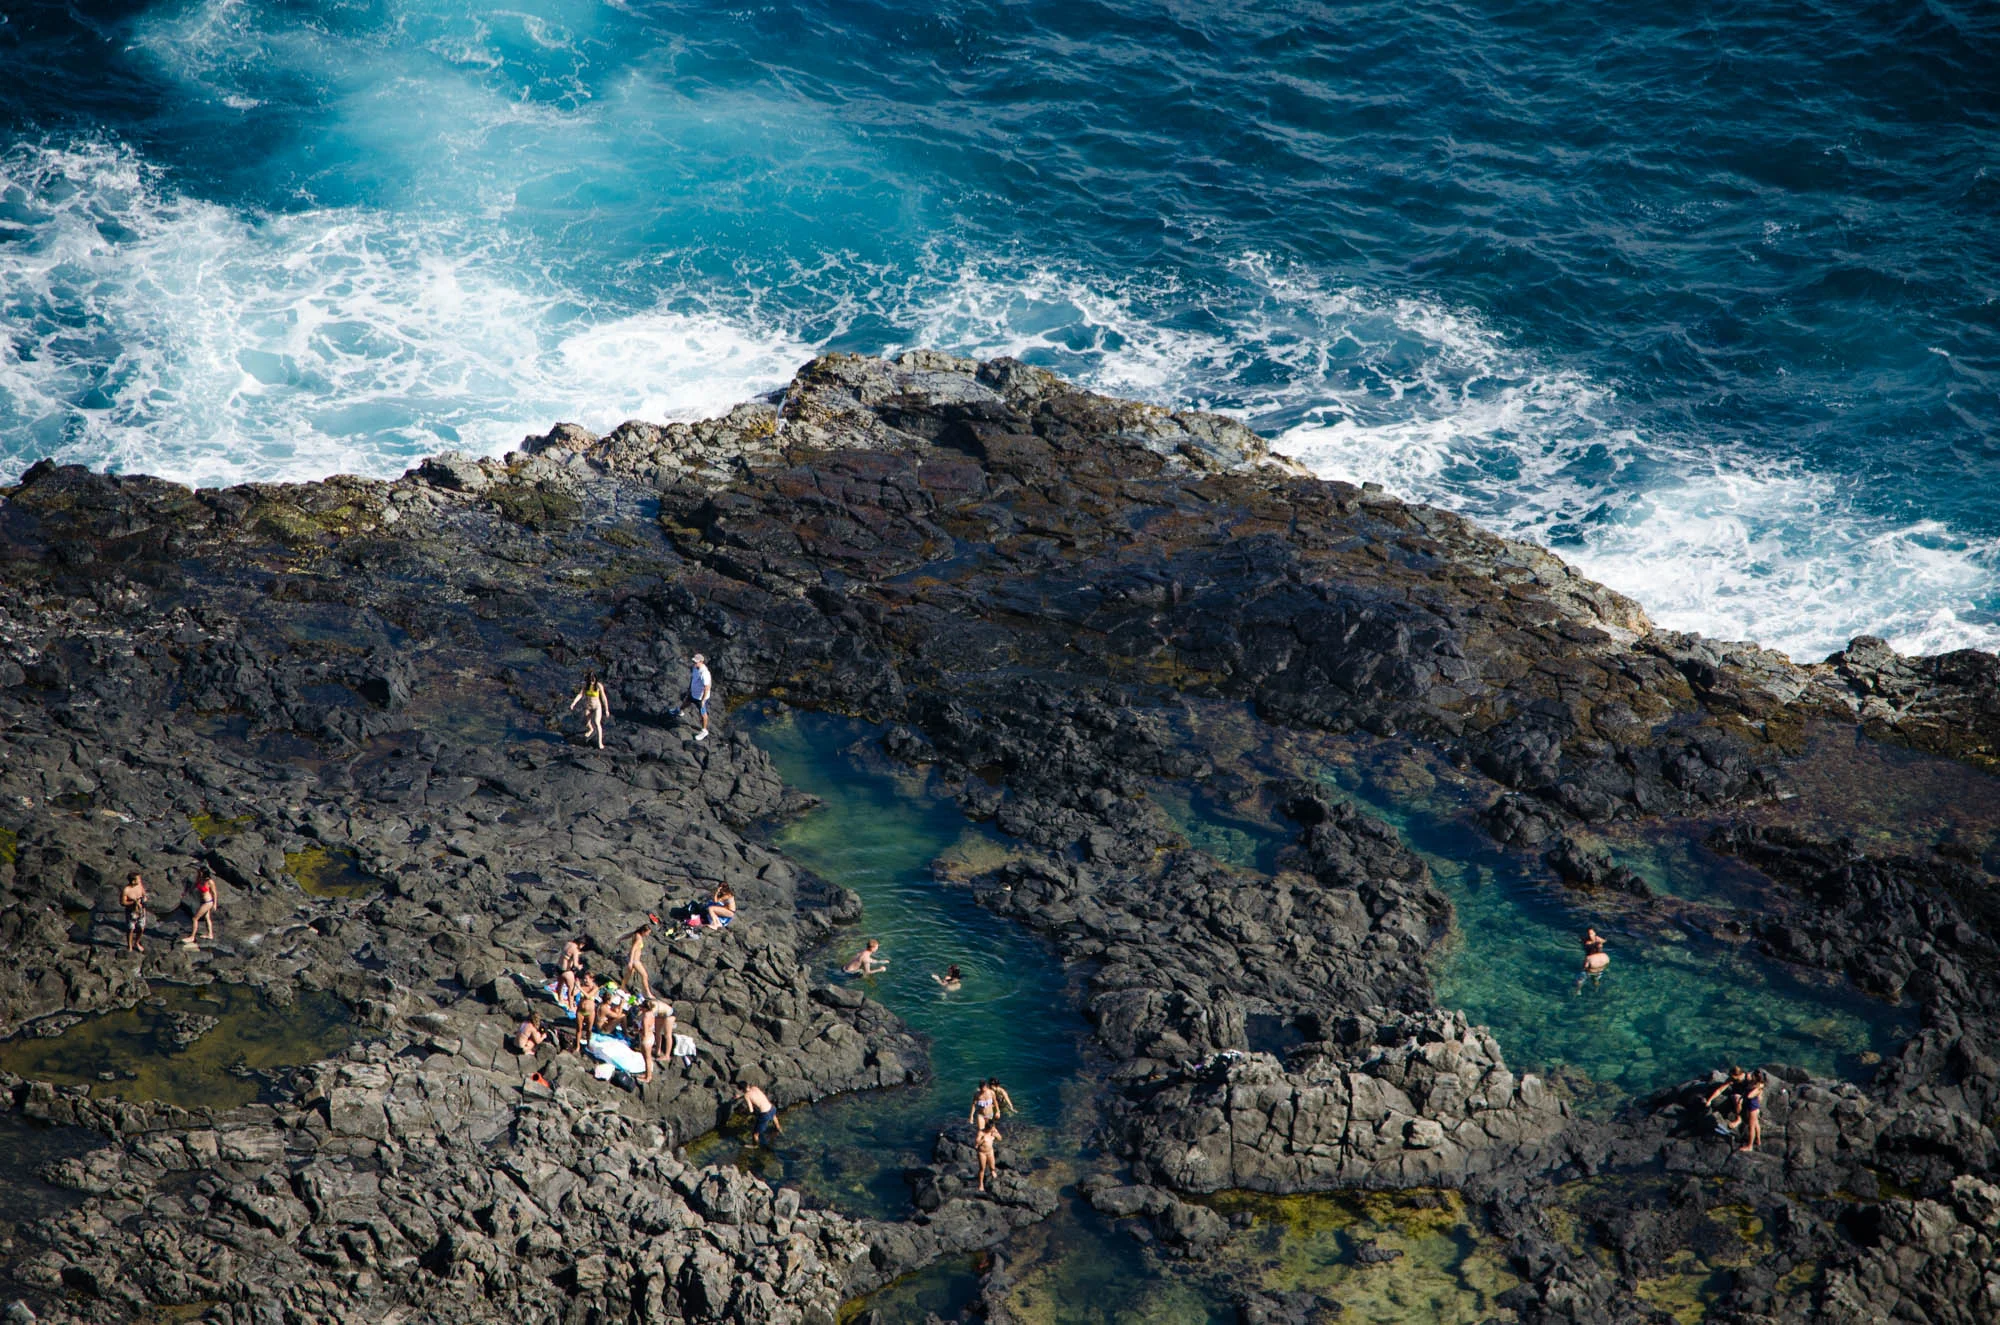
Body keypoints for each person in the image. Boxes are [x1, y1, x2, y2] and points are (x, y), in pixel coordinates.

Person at [568, 671, 610, 750]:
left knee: (597, 722)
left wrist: (606, 709)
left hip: (597, 706)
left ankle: (600, 742)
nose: (592, 682)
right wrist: (573, 703)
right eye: (590, 680)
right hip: (588, 707)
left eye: (593, 680)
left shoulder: (598, 686)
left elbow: (604, 698)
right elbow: (580, 694)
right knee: (587, 723)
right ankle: (591, 729)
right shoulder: (585, 685)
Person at [1704, 1066, 1747, 1138]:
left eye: (1734, 1077)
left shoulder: (1748, 1078)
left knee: (1737, 1098)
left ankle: (1739, 1119)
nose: (1732, 1079)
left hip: (1746, 1096)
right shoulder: (1731, 1079)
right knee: (1736, 1097)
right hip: (1737, 1096)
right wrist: (1709, 1100)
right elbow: (1720, 1090)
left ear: (1740, 1074)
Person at [639, 999, 675, 1084]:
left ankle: (667, 1055)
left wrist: (639, 1031)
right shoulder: (651, 1010)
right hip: (652, 1034)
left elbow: (645, 1029)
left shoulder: (650, 1013)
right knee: (657, 1032)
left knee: (667, 1035)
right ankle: (657, 1050)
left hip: (669, 1014)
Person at [678, 653, 712, 742]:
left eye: (696, 662)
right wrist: (689, 689)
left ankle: (704, 731)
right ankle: (680, 711)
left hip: (700, 698)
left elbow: (707, 687)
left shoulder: (704, 673)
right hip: (693, 693)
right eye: (694, 661)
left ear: (701, 661)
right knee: (686, 702)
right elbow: (692, 679)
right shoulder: (695, 668)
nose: (694, 663)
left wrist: (703, 700)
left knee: (703, 713)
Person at [182, 868, 218, 947]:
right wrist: (185, 893)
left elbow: (214, 893)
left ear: (205, 873)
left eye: (200, 873)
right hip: (202, 901)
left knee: (195, 918)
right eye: (199, 872)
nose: (199, 874)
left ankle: (192, 937)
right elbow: (193, 886)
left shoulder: (209, 881)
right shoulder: (199, 879)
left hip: (208, 902)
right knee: (207, 918)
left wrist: (215, 904)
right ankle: (210, 934)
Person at [740, 1081, 781, 1146]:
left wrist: (745, 1113)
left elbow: (751, 1110)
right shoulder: (755, 1088)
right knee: (774, 1117)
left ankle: (755, 1145)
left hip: (765, 1114)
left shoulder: (746, 1095)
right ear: (748, 1085)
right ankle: (779, 1129)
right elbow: (752, 1095)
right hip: (772, 1108)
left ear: (741, 1090)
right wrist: (741, 1096)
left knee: (755, 1134)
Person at [622, 923, 655, 1000]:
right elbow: (633, 949)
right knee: (645, 975)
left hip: (632, 959)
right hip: (635, 961)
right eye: (647, 933)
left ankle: (622, 987)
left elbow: (628, 935)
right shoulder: (639, 939)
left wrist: (620, 939)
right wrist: (630, 962)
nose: (648, 934)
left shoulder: (636, 933)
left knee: (629, 974)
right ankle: (647, 993)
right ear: (643, 931)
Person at [1738, 1071, 1767, 1152]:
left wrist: (1754, 1089)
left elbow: (1750, 1095)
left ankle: (1749, 1146)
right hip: (1751, 1106)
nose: (1751, 1076)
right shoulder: (1753, 1083)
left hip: (1753, 1108)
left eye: (1752, 1075)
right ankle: (1758, 1140)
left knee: (1751, 1127)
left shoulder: (1758, 1086)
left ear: (1756, 1077)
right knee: (1756, 1123)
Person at [120, 872, 148, 955]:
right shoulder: (126, 890)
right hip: (131, 912)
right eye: (138, 879)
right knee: (131, 929)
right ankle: (130, 946)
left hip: (141, 910)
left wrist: (144, 898)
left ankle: (137, 942)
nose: (140, 880)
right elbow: (122, 902)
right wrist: (133, 903)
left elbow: (143, 893)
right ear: (133, 881)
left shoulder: (139, 885)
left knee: (141, 928)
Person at [1576, 927, 1610, 991]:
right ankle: (1596, 989)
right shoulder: (1606, 956)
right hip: (1599, 971)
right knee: (1596, 980)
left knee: (1580, 980)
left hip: (1589, 972)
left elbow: (1584, 968)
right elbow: (1607, 964)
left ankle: (1578, 991)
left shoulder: (1589, 958)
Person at [974, 1116, 1001, 1194]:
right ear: (988, 1128)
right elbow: (976, 1144)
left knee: (992, 1166)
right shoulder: (981, 1132)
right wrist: (982, 1139)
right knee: (982, 1168)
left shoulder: (994, 1131)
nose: (993, 1128)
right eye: (992, 1127)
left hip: (990, 1151)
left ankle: (992, 1171)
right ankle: (981, 1184)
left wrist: (996, 1135)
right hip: (982, 1153)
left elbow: (1000, 1138)